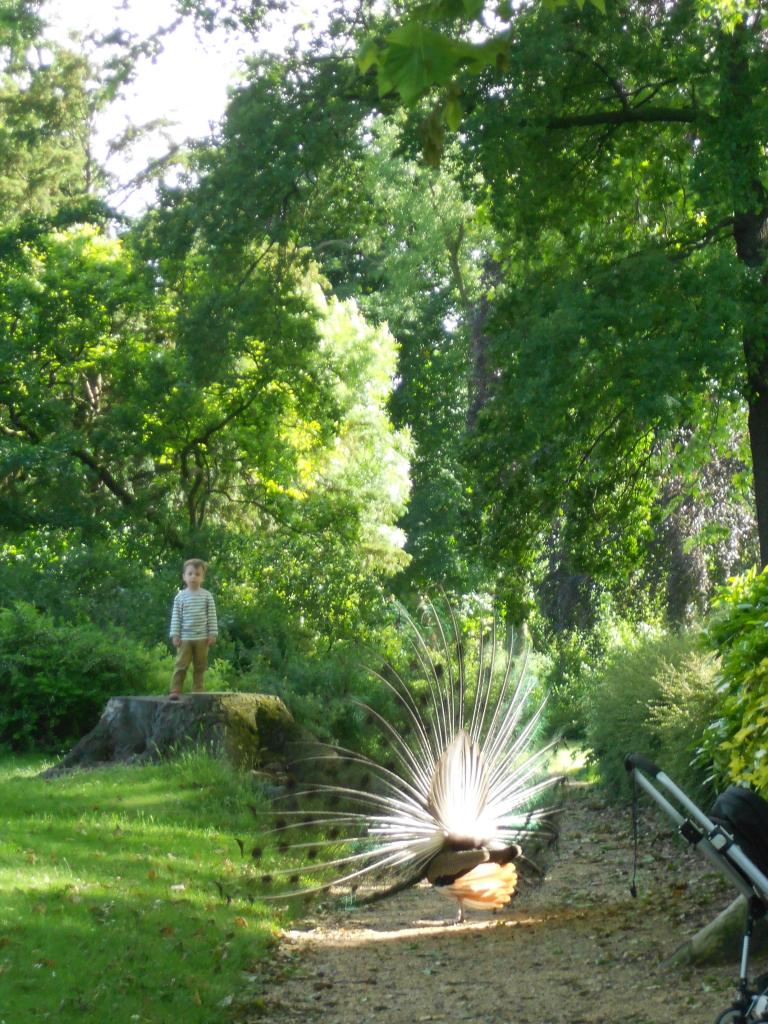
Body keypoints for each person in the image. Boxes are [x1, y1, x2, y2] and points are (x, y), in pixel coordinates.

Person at [168, 558, 218, 700]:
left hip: (202, 638)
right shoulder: (180, 597)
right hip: (184, 638)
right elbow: (176, 617)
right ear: (184, 576)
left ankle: (197, 689)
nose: (193, 577)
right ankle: (175, 689)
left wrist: (212, 633)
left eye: (197, 574)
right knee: (181, 664)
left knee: (200, 665)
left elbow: (212, 616)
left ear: (202, 577)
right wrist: (175, 634)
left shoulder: (207, 596)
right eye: (190, 573)